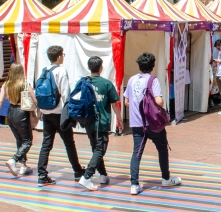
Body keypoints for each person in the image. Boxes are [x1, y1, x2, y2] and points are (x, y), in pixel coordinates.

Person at [124, 52, 182, 195]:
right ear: (153, 65)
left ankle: (134, 184)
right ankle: (165, 178)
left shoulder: (131, 80)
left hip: (136, 123)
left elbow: (126, 102)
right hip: (153, 124)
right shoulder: (152, 80)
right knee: (162, 149)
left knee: (137, 152)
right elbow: (159, 101)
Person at [35, 45, 85, 186]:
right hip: (58, 113)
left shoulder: (44, 70)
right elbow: (65, 94)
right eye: (63, 54)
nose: (63, 56)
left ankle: (42, 174)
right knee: (69, 143)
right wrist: (69, 113)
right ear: (58, 57)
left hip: (46, 112)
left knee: (46, 144)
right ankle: (77, 171)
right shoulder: (61, 71)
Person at [78, 56, 122, 192]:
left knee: (96, 148)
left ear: (89, 67)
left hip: (87, 122)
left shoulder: (84, 82)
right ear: (101, 68)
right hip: (101, 122)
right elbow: (115, 104)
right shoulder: (106, 84)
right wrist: (119, 119)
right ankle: (86, 177)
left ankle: (103, 175)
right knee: (100, 149)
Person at [0, 62, 37, 179]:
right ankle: (14, 160)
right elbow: (34, 100)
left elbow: (0, 101)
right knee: (27, 140)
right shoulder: (25, 84)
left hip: (10, 112)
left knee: (19, 139)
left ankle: (23, 165)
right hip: (21, 111)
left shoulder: (6, 85)